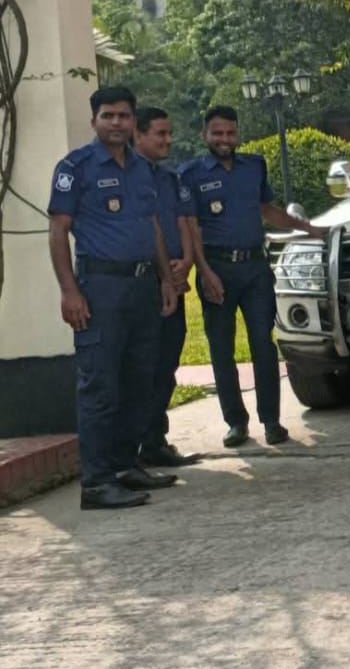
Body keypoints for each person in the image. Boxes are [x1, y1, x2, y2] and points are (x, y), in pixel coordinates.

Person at [48, 85, 181, 510]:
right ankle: (97, 482)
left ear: (132, 121)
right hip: (101, 288)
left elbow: (152, 225)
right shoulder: (76, 168)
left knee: (139, 381)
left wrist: (165, 279)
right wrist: (69, 290)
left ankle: (125, 465)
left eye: (124, 115)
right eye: (108, 115)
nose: (117, 123)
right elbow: (58, 229)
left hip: (142, 287)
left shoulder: (142, 169)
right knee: (101, 386)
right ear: (94, 121)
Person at [181, 105, 327, 449]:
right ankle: (236, 422)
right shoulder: (190, 174)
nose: (224, 139)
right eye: (217, 133)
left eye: (230, 132)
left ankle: (271, 420)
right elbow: (190, 226)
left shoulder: (254, 166)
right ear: (205, 135)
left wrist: (306, 228)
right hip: (217, 269)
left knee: (263, 344)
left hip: (254, 268)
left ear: (238, 134)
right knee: (222, 349)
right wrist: (204, 271)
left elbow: (267, 209)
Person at [133, 106, 201, 469]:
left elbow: (182, 221)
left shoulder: (170, 178)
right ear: (139, 135)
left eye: (169, 133)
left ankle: (155, 441)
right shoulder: (130, 175)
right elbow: (147, 226)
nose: (168, 140)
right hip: (145, 281)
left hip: (174, 279)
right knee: (144, 365)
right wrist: (163, 274)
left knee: (167, 362)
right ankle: (137, 444)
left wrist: (186, 262)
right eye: (160, 133)